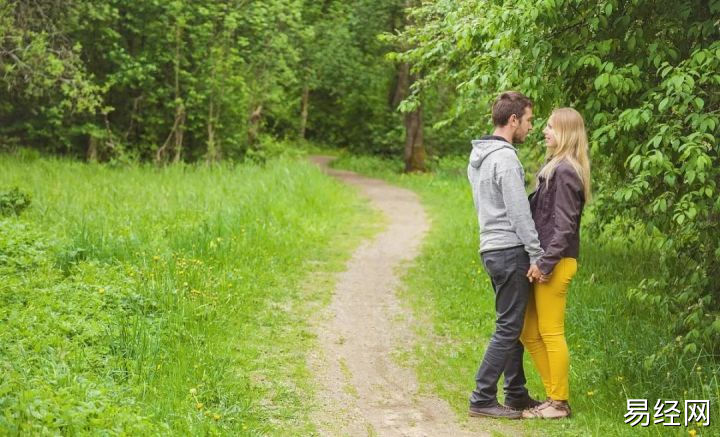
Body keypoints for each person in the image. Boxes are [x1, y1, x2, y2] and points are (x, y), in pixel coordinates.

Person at [467, 91, 546, 419]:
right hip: (510, 251)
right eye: (528, 120)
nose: (530, 127)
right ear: (512, 120)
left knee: (510, 324)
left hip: (491, 248)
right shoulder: (505, 158)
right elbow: (517, 212)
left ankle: (515, 393)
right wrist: (537, 253)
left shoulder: (480, 157)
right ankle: (482, 397)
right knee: (507, 327)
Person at [519, 107, 591, 419]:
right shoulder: (555, 167)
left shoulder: (565, 171)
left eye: (550, 126)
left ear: (565, 133)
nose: (544, 131)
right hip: (548, 260)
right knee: (528, 332)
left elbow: (564, 228)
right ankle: (554, 396)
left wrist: (544, 263)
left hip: (556, 263)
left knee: (550, 331)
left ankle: (558, 403)